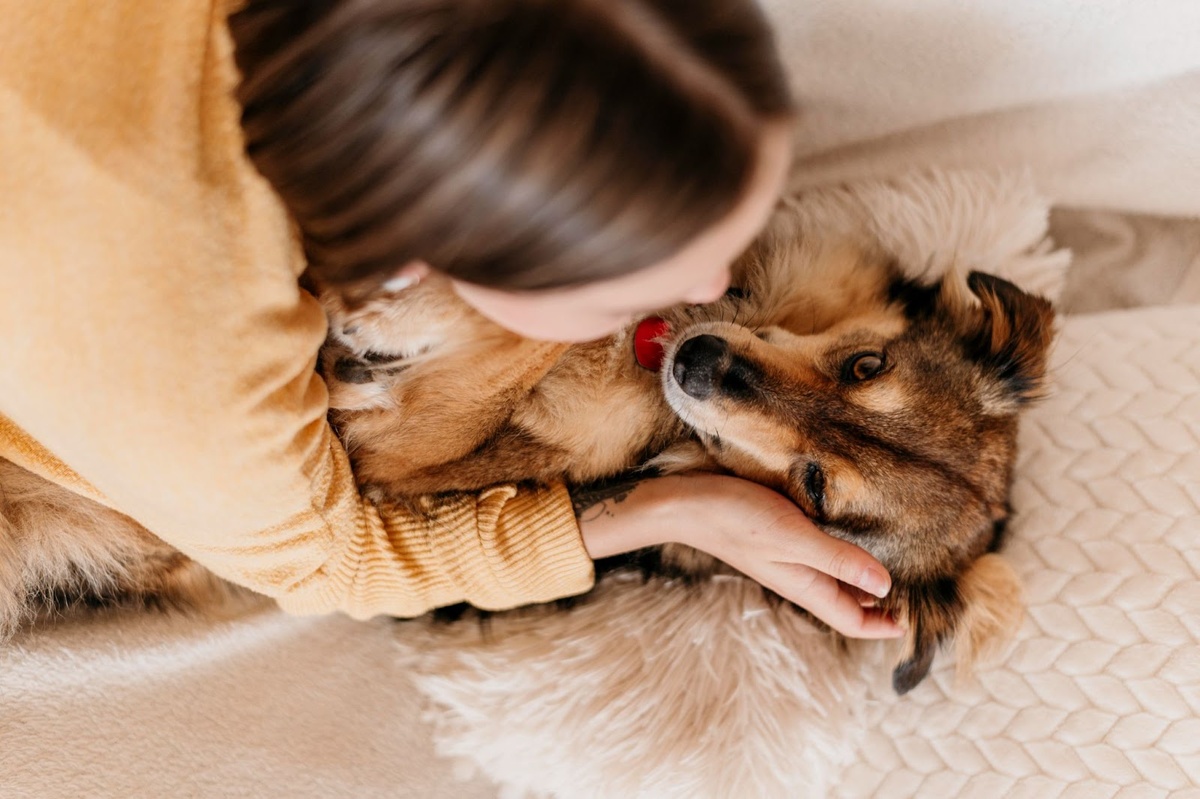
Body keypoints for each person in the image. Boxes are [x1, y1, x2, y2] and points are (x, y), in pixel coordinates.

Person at [0, 0, 899, 638]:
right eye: (621, 297)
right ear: (409, 266)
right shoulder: (198, 369)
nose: (714, 287)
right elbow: (333, 564)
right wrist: (673, 507)